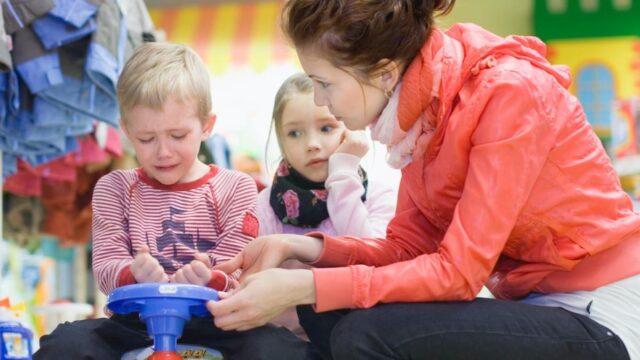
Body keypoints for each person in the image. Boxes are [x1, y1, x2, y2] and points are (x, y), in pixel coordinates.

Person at [207, 1, 640, 359]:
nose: (320, 100)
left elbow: (457, 273)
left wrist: (305, 284)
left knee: (361, 331)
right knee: (324, 312)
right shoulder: (424, 112)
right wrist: (298, 248)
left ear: (382, 72)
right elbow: (407, 248)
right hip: (539, 302)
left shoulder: (508, 93)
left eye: (324, 84)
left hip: (601, 310)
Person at [34, 42, 309, 360]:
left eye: (178, 136)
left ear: (206, 125)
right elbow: (106, 267)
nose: (163, 152)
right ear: (126, 130)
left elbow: (240, 270)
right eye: (146, 139)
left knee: (281, 350)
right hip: (134, 324)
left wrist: (210, 277)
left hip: (219, 321)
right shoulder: (114, 188)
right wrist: (133, 273)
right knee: (64, 345)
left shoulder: (237, 187)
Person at [257, 73, 396, 339]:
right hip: (284, 342)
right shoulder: (265, 205)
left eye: (326, 128)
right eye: (294, 133)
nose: (312, 144)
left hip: (360, 340)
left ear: (350, 130)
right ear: (281, 141)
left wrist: (343, 175)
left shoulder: (379, 196)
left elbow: (372, 261)